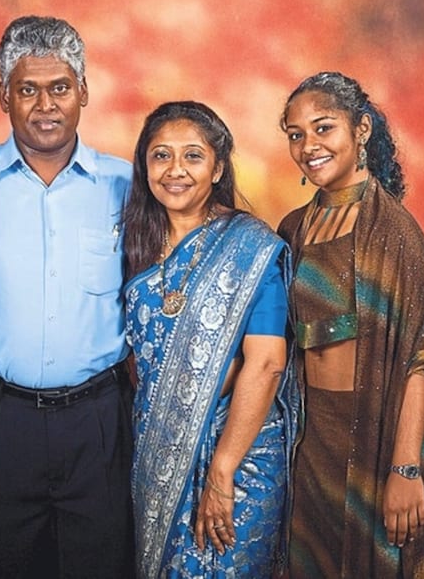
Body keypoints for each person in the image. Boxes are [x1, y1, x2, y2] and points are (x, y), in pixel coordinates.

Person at [0, 16, 134, 578]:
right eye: (28, 89)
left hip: (98, 419)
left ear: (83, 93)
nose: (45, 105)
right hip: (3, 420)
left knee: (102, 566)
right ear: (5, 95)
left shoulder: (125, 185)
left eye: (60, 88)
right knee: (7, 564)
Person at [123, 101, 297, 578]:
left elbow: (266, 363)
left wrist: (221, 472)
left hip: (240, 457)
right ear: (144, 164)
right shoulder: (131, 243)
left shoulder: (250, 247)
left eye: (193, 156)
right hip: (157, 452)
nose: (175, 170)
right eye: (161, 155)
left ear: (218, 167)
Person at [277, 71, 424, 578]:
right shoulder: (293, 227)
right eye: (295, 134)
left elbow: (417, 360)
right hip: (306, 437)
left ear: (361, 130)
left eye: (323, 128)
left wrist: (405, 468)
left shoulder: (395, 234)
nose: (308, 146)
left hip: (367, 436)